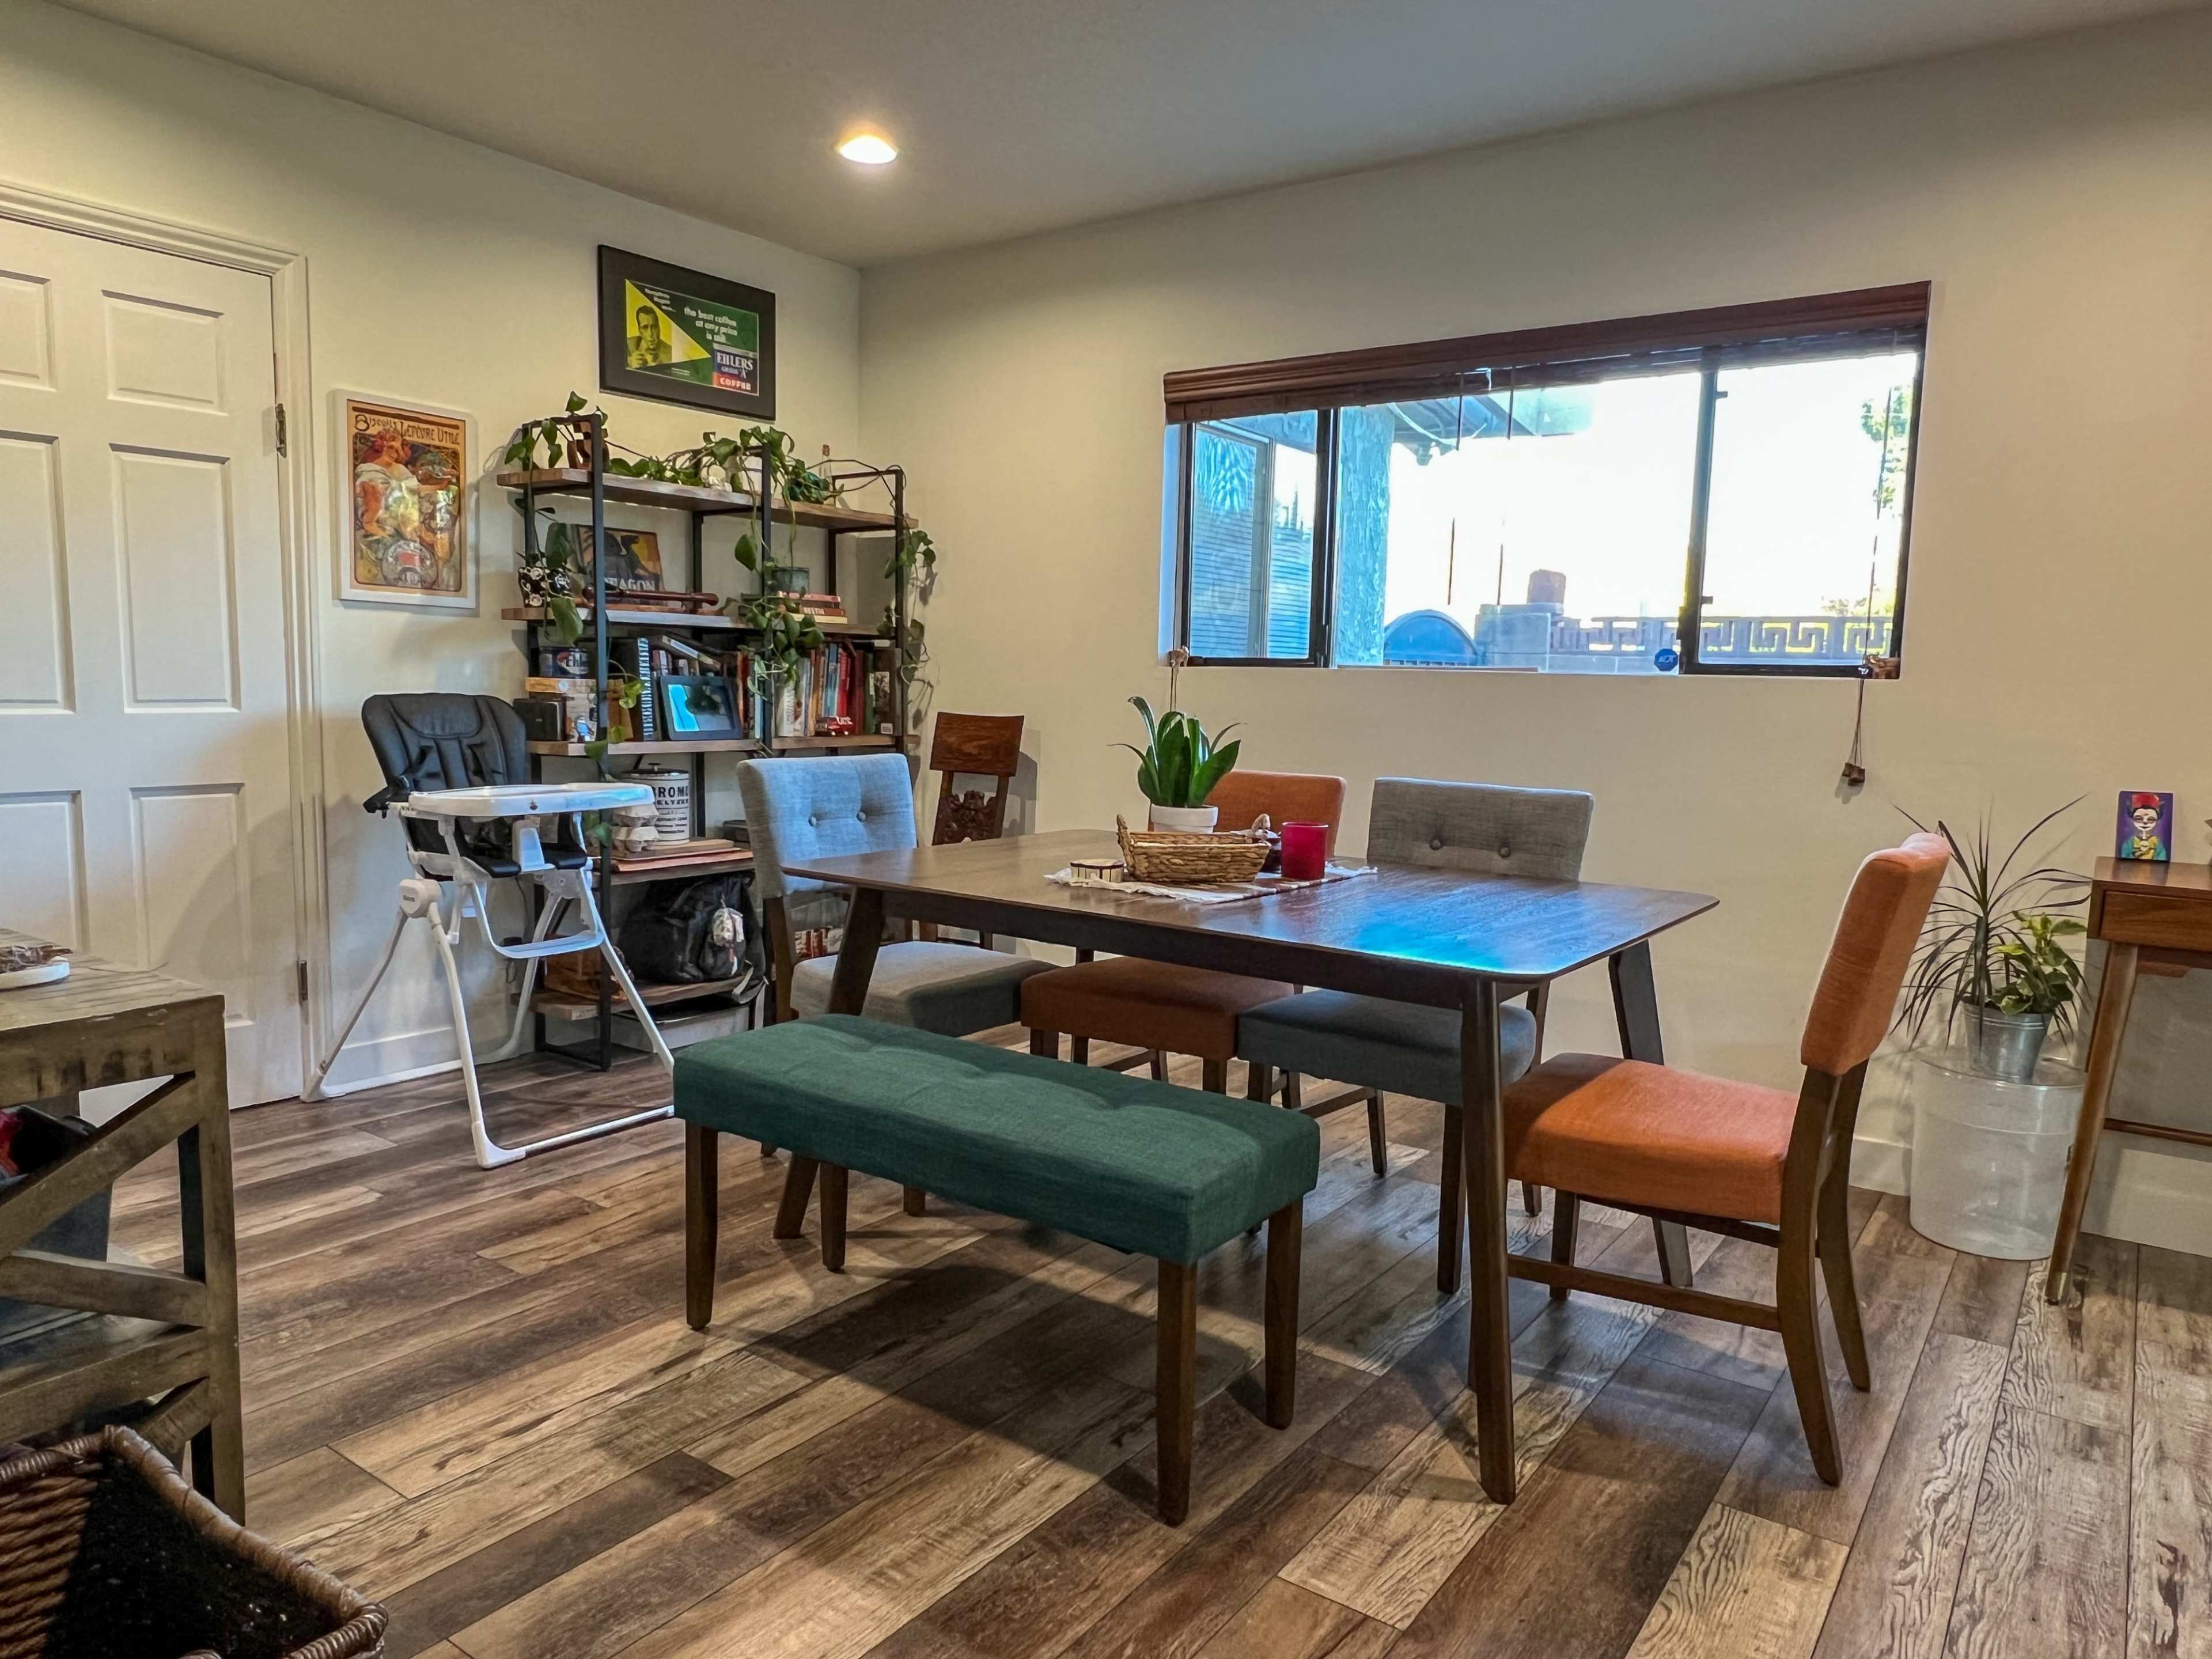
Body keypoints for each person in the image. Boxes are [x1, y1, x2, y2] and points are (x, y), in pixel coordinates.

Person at [2123, 792, 2169, 861]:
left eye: (2151, 819)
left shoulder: (2157, 843)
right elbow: (2124, 857)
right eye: (2139, 819)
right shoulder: (2130, 843)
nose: (2145, 823)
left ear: (2157, 821)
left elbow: (2161, 858)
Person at [627, 304, 669, 369]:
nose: (650, 334)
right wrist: (631, 367)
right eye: (645, 328)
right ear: (640, 331)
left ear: (659, 329)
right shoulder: (628, 346)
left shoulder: (670, 353)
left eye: (654, 327)